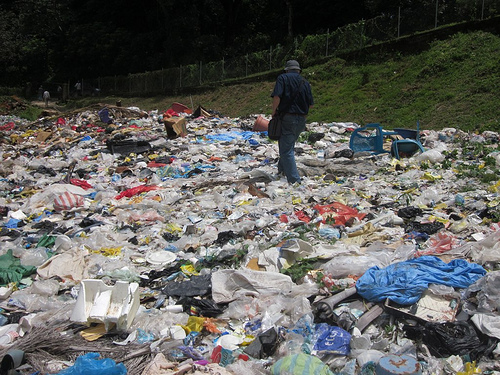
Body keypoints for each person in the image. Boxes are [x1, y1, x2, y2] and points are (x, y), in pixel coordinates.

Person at [271, 60, 314, 184]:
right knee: (288, 145)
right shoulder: (305, 82)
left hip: (288, 117)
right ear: (299, 70)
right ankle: (282, 170)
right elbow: (311, 105)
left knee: (286, 150)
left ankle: (295, 180)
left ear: (287, 70)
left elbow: (277, 96)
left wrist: (274, 111)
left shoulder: (282, 78)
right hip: (302, 119)